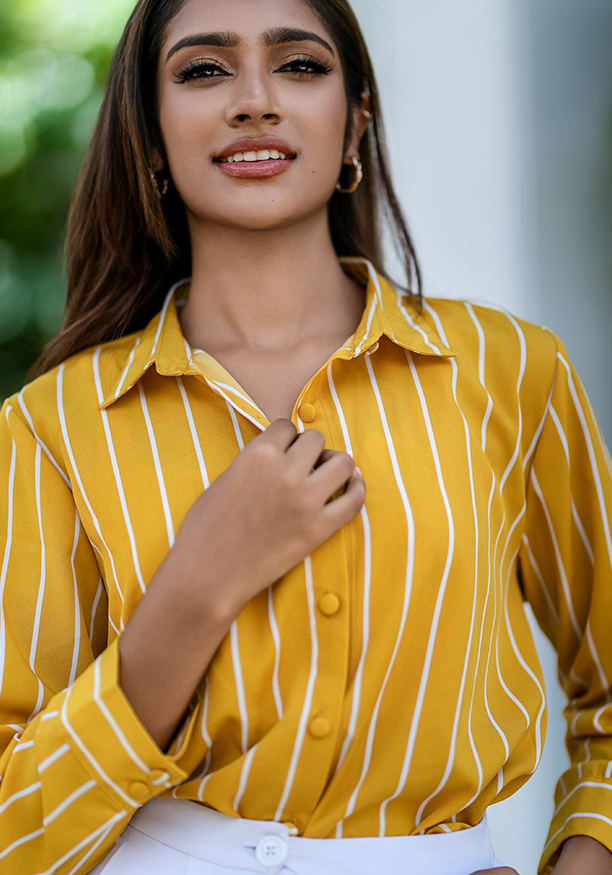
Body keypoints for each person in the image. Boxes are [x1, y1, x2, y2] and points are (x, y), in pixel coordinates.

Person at [1, 0, 611, 872]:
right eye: (204, 70)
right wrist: (197, 586)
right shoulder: (53, 425)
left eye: (299, 65)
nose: (254, 99)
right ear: (148, 133)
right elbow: (12, 830)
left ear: (356, 121)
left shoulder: (513, 371)